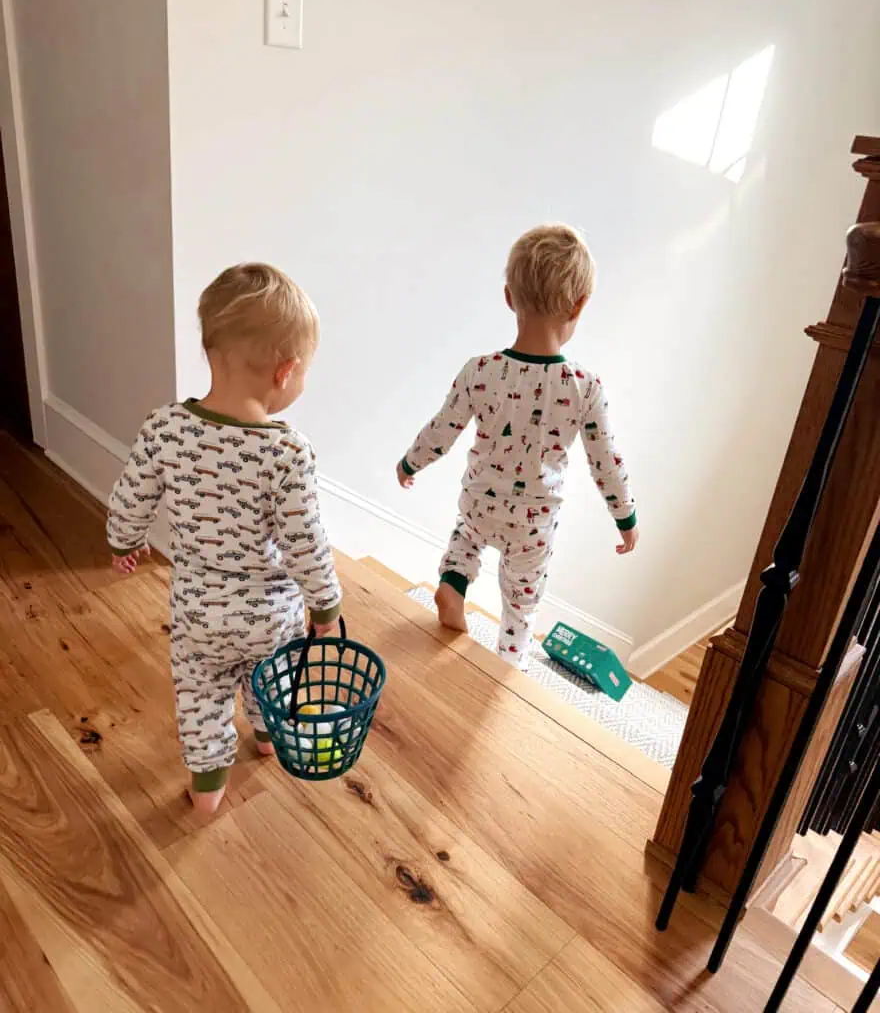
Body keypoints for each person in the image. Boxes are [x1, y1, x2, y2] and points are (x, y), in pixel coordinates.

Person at [107, 263, 341, 813]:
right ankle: (265, 740)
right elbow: (307, 540)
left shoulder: (164, 427)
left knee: (202, 695)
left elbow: (131, 495)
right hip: (271, 615)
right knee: (271, 679)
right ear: (286, 372)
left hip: (198, 612)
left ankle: (207, 789)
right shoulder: (287, 452)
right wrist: (325, 604)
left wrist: (125, 542)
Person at [397, 224, 637, 669]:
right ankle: (509, 659)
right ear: (580, 305)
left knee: (465, 540)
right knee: (521, 602)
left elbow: (443, 429)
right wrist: (626, 519)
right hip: (533, 521)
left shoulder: (480, 370)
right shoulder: (584, 386)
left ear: (509, 297)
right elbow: (606, 460)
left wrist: (411, 462)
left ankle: (454, 582)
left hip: (480, 502)